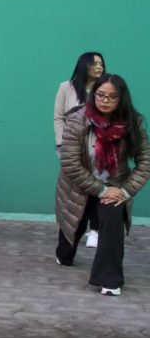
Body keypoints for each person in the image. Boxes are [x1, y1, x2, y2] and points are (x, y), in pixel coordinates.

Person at [55, 73, 149, 295]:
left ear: (121, 98)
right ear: (94, 95)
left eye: (112, 96)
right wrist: (101, 189)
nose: (105, 100)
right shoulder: (78, 119)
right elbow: (70, 163)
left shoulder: (133, 122)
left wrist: (125, 191)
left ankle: (110, 281)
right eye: (101, 95)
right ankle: (65, 252)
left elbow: (145, 160)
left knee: (112, 219)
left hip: (115, 185)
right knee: (72, 231)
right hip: (78, 185)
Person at [55, 52, 106, 247]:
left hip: (99, 145)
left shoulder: (105, 87)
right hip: (73, 145)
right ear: (84, 65)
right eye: (95, 63)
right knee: (73, 189)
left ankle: (95, 230)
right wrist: (61, 144)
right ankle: (71, 232)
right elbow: (59, 117)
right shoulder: (66, 87)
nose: (100, 67)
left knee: (98, 186)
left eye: (101, 64)